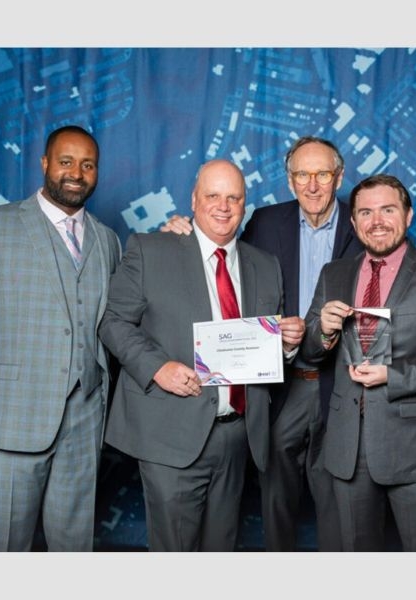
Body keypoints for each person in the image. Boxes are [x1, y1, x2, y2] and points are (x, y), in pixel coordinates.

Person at [162, 136, 361, 551]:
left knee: (340, 506)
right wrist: (178, 235)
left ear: (338, 177)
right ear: (289, 182)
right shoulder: (266, 223)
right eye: (301, 175)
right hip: (281, 387)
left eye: (322, 174)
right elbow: (221, 262)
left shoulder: (365, 222)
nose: (312, 185)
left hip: (343, 387)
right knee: (276, 504)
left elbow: (399, 269)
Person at [99, 159, 306, 551]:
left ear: (245, 205)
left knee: (220, 549)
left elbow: (259, 353)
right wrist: (156, 367)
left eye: (234, 197)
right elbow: (113, 322)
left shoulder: (265, 265)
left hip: (237, 437)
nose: (223, 206)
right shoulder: (151, 249)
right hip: (170, 432)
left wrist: (287, 344)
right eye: (213, 195)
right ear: (194, 200)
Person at [0, 125, 122, 551]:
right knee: (5, 549)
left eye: (87, 165)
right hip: (9, 420)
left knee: (74, 548)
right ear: (44, 164)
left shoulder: (107, 240)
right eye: (66, 161)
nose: (76, 172)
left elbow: (117, 322)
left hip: (84, 420)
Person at [301, 173, 416, 551]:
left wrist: (391, 376)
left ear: (409, 215)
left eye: (387, 209)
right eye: (365, 212)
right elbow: (311, 352)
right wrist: (325, 331)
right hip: (347, 444)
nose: (376, 221)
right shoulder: (334, 273)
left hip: (411, 443)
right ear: (353, 222)